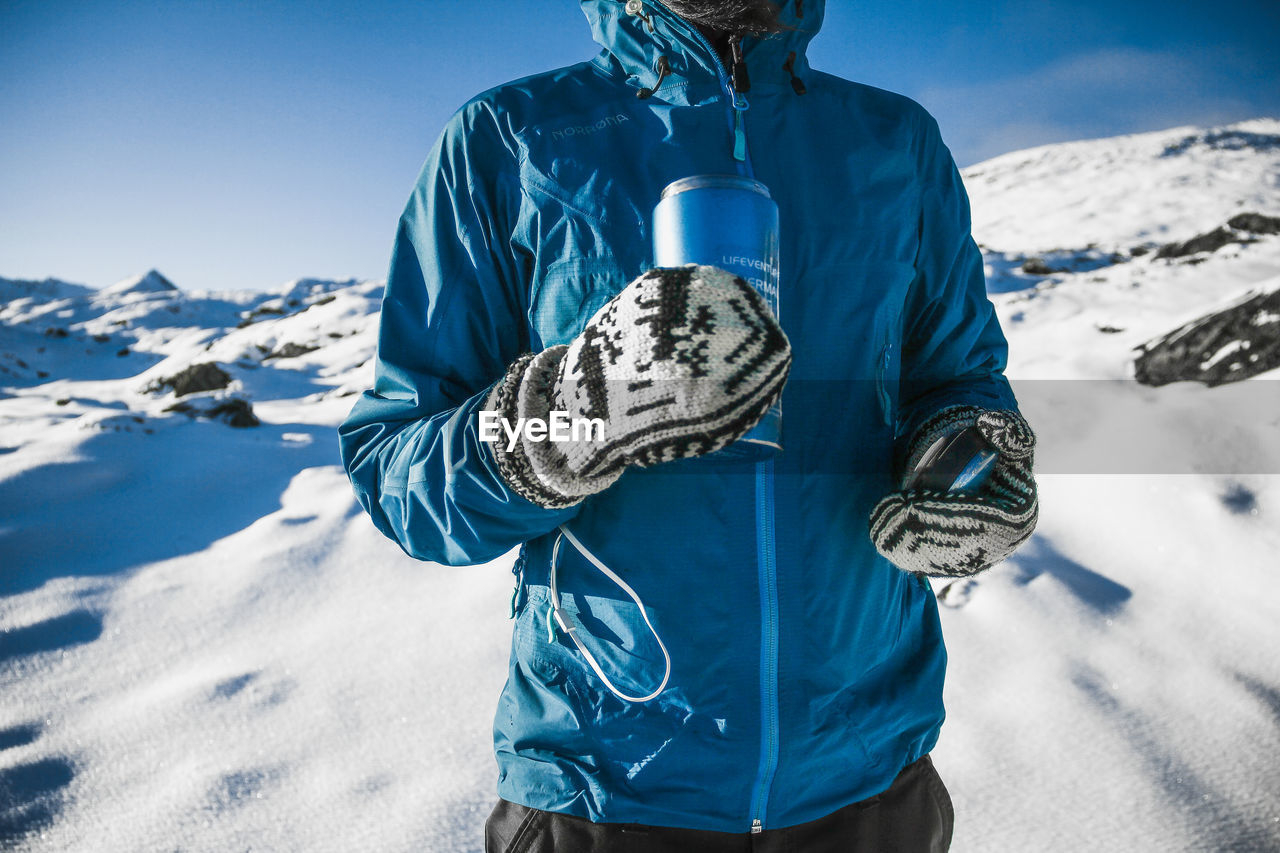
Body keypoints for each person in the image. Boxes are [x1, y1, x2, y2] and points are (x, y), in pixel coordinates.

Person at [338, 1, 1039, 850]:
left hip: (868, 780)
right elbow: (396, 471)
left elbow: (958, 380)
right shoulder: (512, 139)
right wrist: (569, 416)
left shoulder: (896, 143)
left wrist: (970, 458)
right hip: (605, 782)